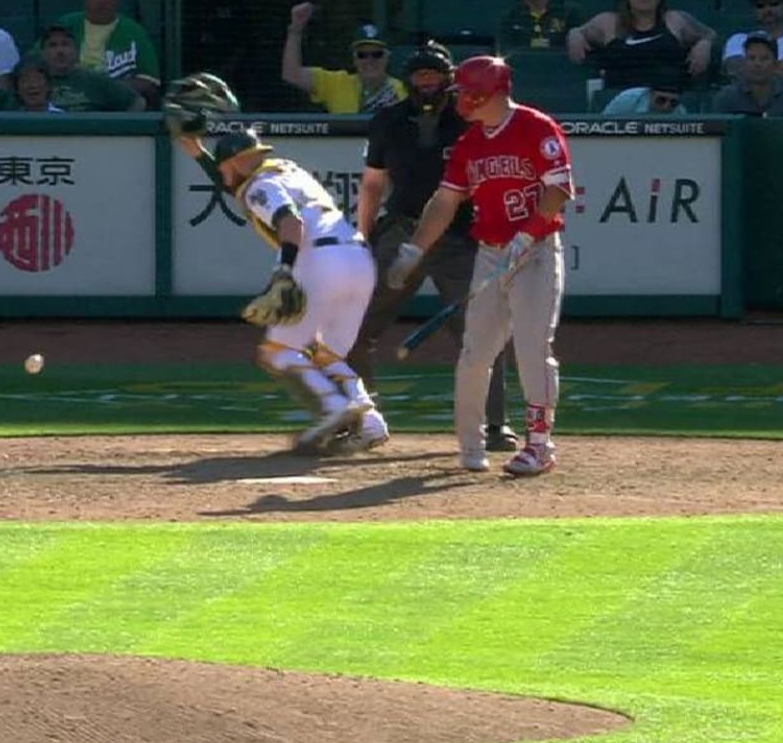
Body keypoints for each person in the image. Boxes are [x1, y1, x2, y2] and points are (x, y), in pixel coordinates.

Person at [169, 78, 382, 453]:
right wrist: (199, 152)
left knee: (277, 351)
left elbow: (289, 221)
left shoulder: (257, 186)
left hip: (319, 260)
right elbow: (236, 182)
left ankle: (333, 407)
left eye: (223, 168)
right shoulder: (284, 169)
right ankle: (370, 420)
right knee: (326, 353)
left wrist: (284, 270)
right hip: (359, 260)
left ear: (233, 164)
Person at [386, 56, 575, 477]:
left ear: (486, 92)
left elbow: (558, 190)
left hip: (536, 252)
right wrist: (415, 249)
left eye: (465, 92)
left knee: (532, 348)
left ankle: (539, 445)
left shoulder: (536, 128)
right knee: (475, 352)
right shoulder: (471, 143)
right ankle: (471, 446)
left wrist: (527, 234)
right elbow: (446, 200)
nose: (460, 101)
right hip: (490, 251)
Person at [345, 43, 516, 454]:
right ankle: (360, 417)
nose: (427, 83)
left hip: (459, 239)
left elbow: (492, 180)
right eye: (419, 76)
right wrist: (361, 238)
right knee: (354, 327)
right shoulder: (387, 120)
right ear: (407, 81)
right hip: (402, 233)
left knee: (481, 332)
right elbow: (372, 185)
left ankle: (495, 425)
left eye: (434, 76)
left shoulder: (469, 121)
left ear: (450, 79)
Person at [566, 0, 716, 93]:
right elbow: (579, 31)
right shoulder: (607, 21)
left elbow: (709, 34)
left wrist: (704, 44)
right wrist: (574, 34)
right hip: (620, 100)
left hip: (667, 100)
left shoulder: (676, 20)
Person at [55, 0, 160, 108]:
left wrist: (109, 91)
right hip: (69, 102)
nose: (100, 0)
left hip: (115, 105)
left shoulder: (135, 32)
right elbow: (37, 64)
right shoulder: (66, 24)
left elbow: (150, 82)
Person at [281, 4, 407, 113]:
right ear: (354, 59)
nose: (370, 60)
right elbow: (291, 74)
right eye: (362, 55)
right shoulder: (337, 83)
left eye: (377, 54)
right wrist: (296, 30)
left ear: (387, 57)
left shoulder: (405, 91)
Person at [37, 25, 144, 112]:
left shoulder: (95, 80)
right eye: (52, 45)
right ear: (42, 53)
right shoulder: (34, 82)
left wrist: (122, 132)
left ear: (76, 51)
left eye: (65, 44)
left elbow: (138, 102)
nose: (60, 51)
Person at [711, 34, 783, 117]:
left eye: (764, 59)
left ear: (775, 64)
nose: (757, 64)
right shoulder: (726, 97)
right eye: (752, 58)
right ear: (744, 62)